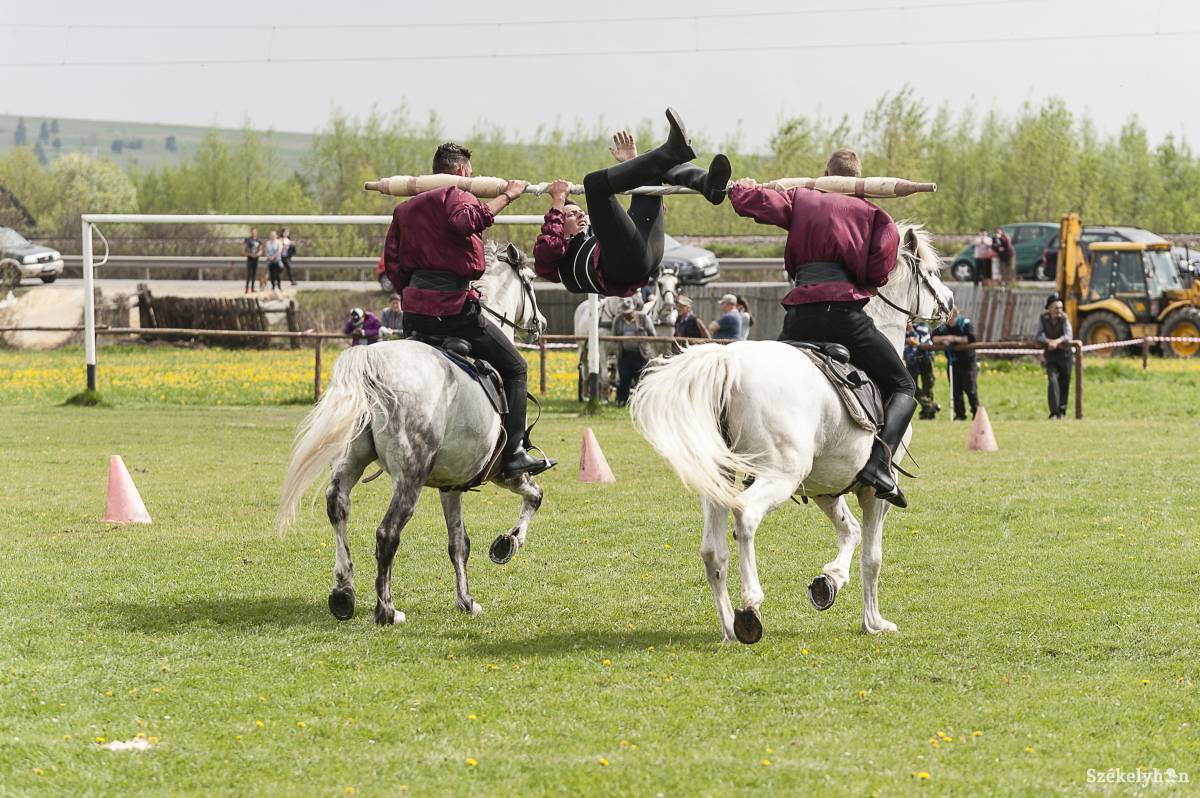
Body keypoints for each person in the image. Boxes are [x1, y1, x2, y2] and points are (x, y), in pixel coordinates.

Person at [727, 147, 914, 507]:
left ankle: (755, 468)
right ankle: (878, 465)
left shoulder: (802, 199)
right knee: (903, 385)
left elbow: (758, 204)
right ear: (860, 180)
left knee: (762, 387)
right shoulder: (879, 217)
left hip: (800, 317)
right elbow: (878, 274)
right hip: (845, 317)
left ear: (825, 173)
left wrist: (739, 189)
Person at [382, 141, 552, 478]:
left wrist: (415, 295)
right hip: (453, 309)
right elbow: (467, 222)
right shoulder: (456, 194)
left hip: (414, 312)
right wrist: (509, 195)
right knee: (516, 367)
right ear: (461, 171)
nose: (471, 178)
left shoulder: (404, 208)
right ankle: (515, 453)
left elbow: (393, 264)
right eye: (470, 174)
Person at [533, 108, 731, 298]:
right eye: (570, 214)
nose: (580, 215)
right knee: (593, 185)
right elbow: (546, 250)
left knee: (652, 164)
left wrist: (632, 163)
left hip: (646, 252)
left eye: (579, 212)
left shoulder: (596, 236)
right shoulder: (558, 260)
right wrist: (558, 200)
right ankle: (673, 152)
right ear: (561, 227)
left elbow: (622, 228)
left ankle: (708, 185)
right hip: (626, 266)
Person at [932, 309, 980, 421]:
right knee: (955, 390)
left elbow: (971, 338)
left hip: (968, 363)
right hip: (953, 362)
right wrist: (945, 339)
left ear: (954, 315)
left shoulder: (965, 323)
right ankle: (960, 415)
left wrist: (954, 339)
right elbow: (934, 337)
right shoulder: (943, 326)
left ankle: (976, 413)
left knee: (970, 390)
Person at [610, 296, 656, 406]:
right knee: (624, 380)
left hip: (641, 355)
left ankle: (642, 403)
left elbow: (652, 333)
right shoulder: (618, 320)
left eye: (629, 312)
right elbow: (614, 335)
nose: (627, 314)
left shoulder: (643, 318)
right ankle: (622, 402)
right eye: (625, 312)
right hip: (625, 355)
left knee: (641, 381)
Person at [1036, 296, 1073, 419]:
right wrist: (1048, 341)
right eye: (1056, 308)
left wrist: (1056, 342)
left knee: (1064, 382)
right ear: (1050, 308)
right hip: (1051, 354)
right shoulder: (1043, 318)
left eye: (1061, 308)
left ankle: (1062, 411)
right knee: (1052, 381)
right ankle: (1054, 412)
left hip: (1064, 354)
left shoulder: (1064, 318)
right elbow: (1038, 334)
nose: (1059, 310)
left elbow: (1068, 335)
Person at [904, 322, 939, 420]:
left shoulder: (922, 325)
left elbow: (917, 341)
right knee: (912, 385)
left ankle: (928, 413)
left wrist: (911, 331)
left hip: (926, 357)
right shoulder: (902, 326)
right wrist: (908, 340)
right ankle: (931, 406)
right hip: (911, 359)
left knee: (928, 385)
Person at [243, 227, 261, 294]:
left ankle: (253, 288)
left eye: (255, 232)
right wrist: (250, 254)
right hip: (250, 258)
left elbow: (261, 249)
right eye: (253, 232)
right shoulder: (247, 240)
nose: (254, 233)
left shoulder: (258, 241)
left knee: (254, 274)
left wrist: (259, 253)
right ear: (251, 232)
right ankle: (247, 289)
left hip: (256, 259)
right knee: (249, 274)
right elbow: (244, 250)